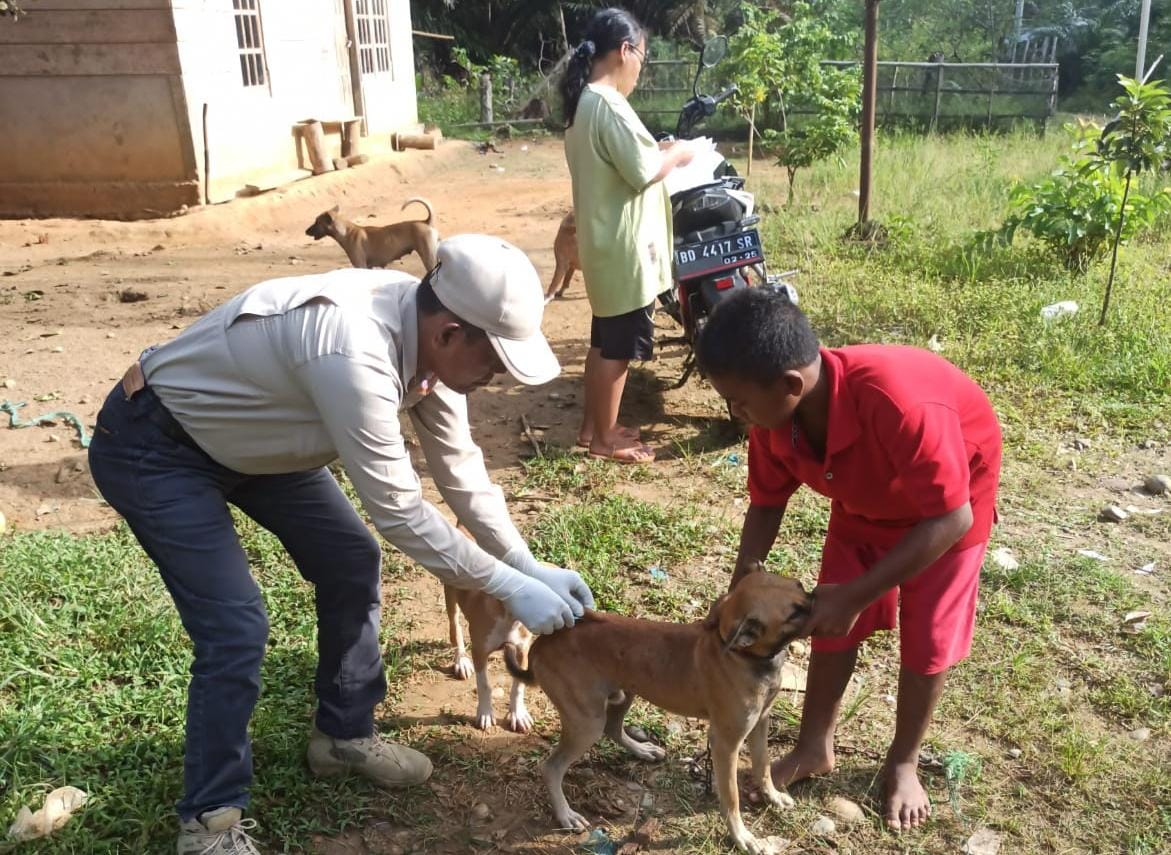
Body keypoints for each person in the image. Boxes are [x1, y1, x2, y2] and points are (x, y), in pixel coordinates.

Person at [87, 235, 595, 854]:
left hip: (261, 442)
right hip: (159, 444)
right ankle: (209, 822)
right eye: (494, 361)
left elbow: (459, 468)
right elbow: (401, 511)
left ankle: (342, 737)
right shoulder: (351, 348)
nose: (495, 378)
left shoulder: (431, 351)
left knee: (351, 560)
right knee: (235, 625)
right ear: (451, 333)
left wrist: (524, 561)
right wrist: (508, 587)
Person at [696, 288, 1002, 832]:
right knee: (827, 621)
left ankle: (903, 760)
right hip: (864, 505)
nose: (733, 413)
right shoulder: (775, 422)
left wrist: (859, 594)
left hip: (947, 514)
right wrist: (738, 590)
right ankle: (815, 744)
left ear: (792, 385)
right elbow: (766, 504)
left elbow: (949, 517)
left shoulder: (898, 404)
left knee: (927, 639)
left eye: (738, 401)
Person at [561, 7, 698, 463]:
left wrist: (656, 150)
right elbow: (642, 171)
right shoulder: (607, 102)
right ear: (624, 51)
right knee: (616, 350)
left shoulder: (585, 103)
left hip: (605, 245)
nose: (640, 68)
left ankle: (592, 428)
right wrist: (676, 153)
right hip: (624, 250)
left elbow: (624, 161)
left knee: (603, 341)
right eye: (641, 57)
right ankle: (604, 439)